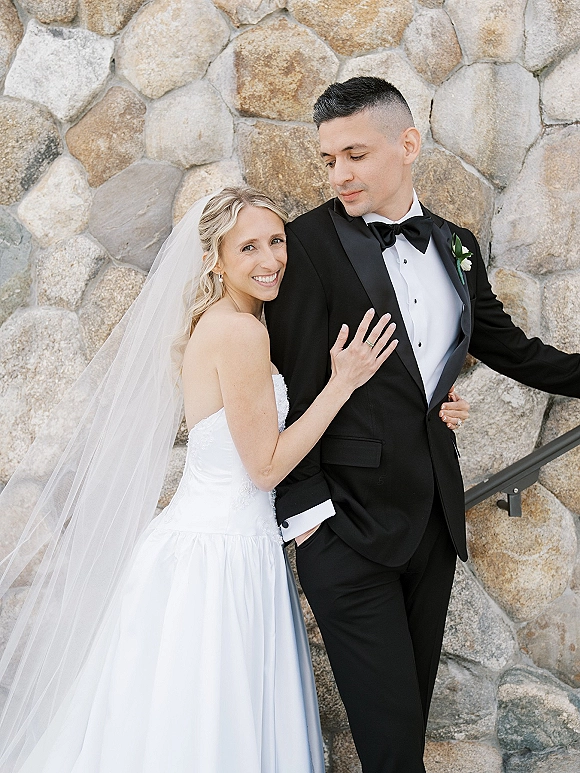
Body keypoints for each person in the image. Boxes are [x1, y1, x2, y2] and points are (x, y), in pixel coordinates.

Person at [0, 185, 417, 772]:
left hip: (223, 542)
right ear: (214, 259)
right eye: (247, 247)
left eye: (277, 241)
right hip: (219, 555)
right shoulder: (239, 333)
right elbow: (266, 465)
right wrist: (341, 384)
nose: (270, 259)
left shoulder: (236, 319)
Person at [265, 77, 580, 773]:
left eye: (354, 153)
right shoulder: (306, 245)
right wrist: (311, 519)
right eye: (328, 160)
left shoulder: (456, 245)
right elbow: (290, 385)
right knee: (388, 745)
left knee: (404, 734)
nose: (339, 173)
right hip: (346, 532)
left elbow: (514, 351)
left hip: (430, 528)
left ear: (407, 144)